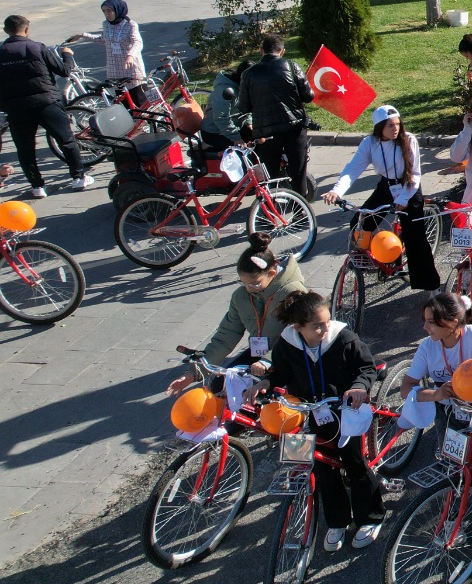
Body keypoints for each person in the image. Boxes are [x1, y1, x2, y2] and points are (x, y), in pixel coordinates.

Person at [254, 290, 386, 551]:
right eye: (317, 326)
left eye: (327, 322)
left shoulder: (343, 338)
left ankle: (371, 517)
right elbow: (281, 372)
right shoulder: (287, 344)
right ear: (298, 327)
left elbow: (366, 368)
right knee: (322, 469)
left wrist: (359, 386)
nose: (325, 329)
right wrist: (266, 382)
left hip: (343, 413)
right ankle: (337, 521)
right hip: (306, 415)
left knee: (354, 462)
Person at [397, 292, 472, 537]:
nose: (424, 326)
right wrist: (436, 394)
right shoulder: (428, 347)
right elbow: (406, 388)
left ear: (450, 324)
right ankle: (452, 511)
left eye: (430, 322)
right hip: (449, 414)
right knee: (451, 464)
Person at [166, 233, 307, 394]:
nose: (248, 289)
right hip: (260, 356)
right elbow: (227, 334)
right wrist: (193, 373)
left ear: (272, 274)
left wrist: (267, 361)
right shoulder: (241, 297)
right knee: (220, 386)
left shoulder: (293, 293)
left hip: (290, 356)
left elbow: (301, 336)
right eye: (243, 283)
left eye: (255, 283)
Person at [322, 104, 439, 289]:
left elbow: (415, 175)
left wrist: (402, 200)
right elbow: (353, 168)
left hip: (408, 187)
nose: (395, 129)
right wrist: (336, 191)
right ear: (380, 127)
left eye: (398, 124)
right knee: (360, 223)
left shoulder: (409, 140)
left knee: (415, 236)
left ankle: (430, 285)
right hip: (387, 185)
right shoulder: (370, 143)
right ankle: (371, 261)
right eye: (390, 126)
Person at [0, 14, 93, 197]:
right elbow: (63, 71)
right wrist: (67, 55)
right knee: (66, 140)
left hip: (16, 107)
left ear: (6, 31)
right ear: (27, 29)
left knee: (25, 148)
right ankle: (78, 177)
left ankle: (37, 187)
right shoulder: (37, 48)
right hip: (46, 103)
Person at [236, 34, 314, 200]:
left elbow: (244, 106)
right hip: (294, 128)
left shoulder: (249, 74)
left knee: (270, 175)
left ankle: (271, 212)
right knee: (298, 171)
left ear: (261, 50)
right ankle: (301, 212)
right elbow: (308, 96)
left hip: (266, 133)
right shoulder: (292, 66)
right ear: (282, 51)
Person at [199, 59, 250, 152]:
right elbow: (221, 118)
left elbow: (247, 109)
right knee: (242, 152)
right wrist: (236, 138)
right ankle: (207, 146)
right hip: (214, 131)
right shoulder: (225, 90)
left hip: (233, 127)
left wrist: (248, 122)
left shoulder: (243, 88)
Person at [97, 0, 146, 81]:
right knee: (118, 93)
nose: (106, 14)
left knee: (135, 94)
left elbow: (137, 42)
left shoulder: (130, 25)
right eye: (104, 11)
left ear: (117, 10)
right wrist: (82, 36)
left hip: (130, 69)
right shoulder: (106, 24)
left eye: (109, 11)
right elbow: (103, 39)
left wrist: (131, 56)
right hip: (113, 70)